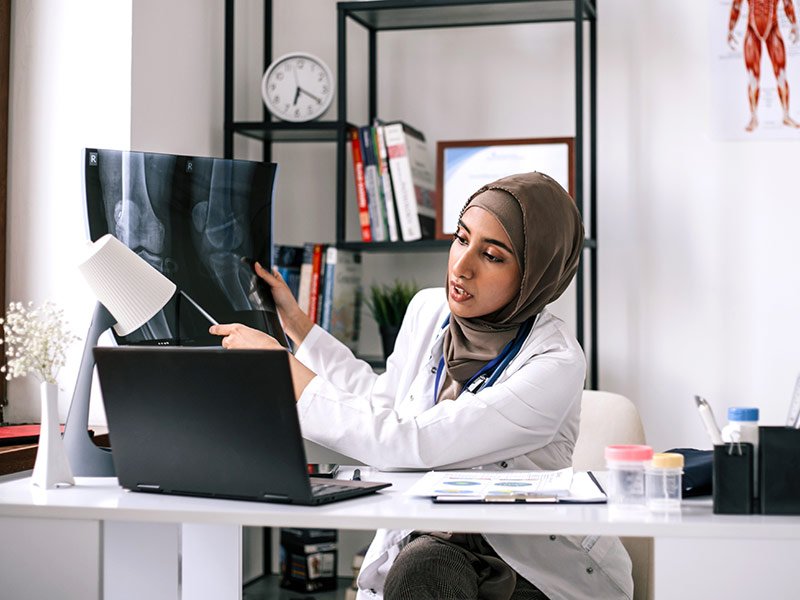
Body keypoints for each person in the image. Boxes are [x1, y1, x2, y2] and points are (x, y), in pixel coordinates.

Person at [210, 172, 633, 600]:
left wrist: (284, 374)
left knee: (425, 570)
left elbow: (414, 443)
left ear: (535, 273)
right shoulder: (429, 309)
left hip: (530, 561)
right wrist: (296, 326)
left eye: (491, 255)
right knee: (423, 568)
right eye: (461, 238)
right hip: (441, 544)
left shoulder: (555, 361)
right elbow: (381, 402)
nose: (461, 266)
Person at [728, 0, 800, 131]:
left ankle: (786, 115)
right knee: (752, 78)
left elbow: (787, 4)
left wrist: (794, 24)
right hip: (752, 30)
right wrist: (730, 29)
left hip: (773, 28)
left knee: (781, 75)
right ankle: (753, 117)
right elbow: (736, 6)